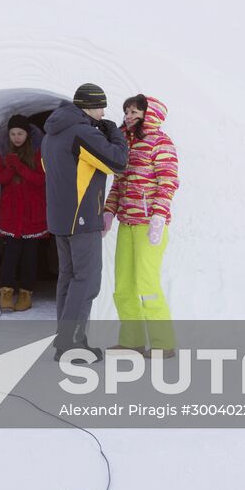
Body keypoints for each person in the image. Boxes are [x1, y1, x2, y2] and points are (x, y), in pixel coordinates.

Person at [41, 83, 129, 361]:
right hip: (82, 219)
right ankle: (71, 345)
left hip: (60, 219)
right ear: (89, 106)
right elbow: (118, 161)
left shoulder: (50, 135)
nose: (104, 112)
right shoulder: (81, 132)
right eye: (101, 106)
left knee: (68, 279)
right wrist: (113, 132)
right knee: (87, 281)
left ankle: (66, 340)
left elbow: (51, 169)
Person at [104, 95, 180, 357]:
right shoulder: (125, 143)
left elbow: (168, 181)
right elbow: (118, 184)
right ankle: (131, 340)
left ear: (150, 114)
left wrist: (159, 216)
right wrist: (108, 212)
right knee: (123, 285)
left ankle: (163, 343)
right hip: (127, 223)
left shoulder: (161, 142)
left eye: (135, 111)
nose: (128, 115)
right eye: (127, 111)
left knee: (147, 285)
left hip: (150, 225)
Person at [0, 114, 47, 312]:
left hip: (32, 212)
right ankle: (6, 292)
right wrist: (10, 166)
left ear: (27, 134)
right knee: (11, 254)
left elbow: (40, 180)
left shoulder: (38, 153)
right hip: (12, 212)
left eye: (20, 133)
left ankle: (26, 294)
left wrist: (20, 166)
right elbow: (0, 178)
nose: (16, 137)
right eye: (13, 133)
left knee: (29, 255)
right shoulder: (3, 152)